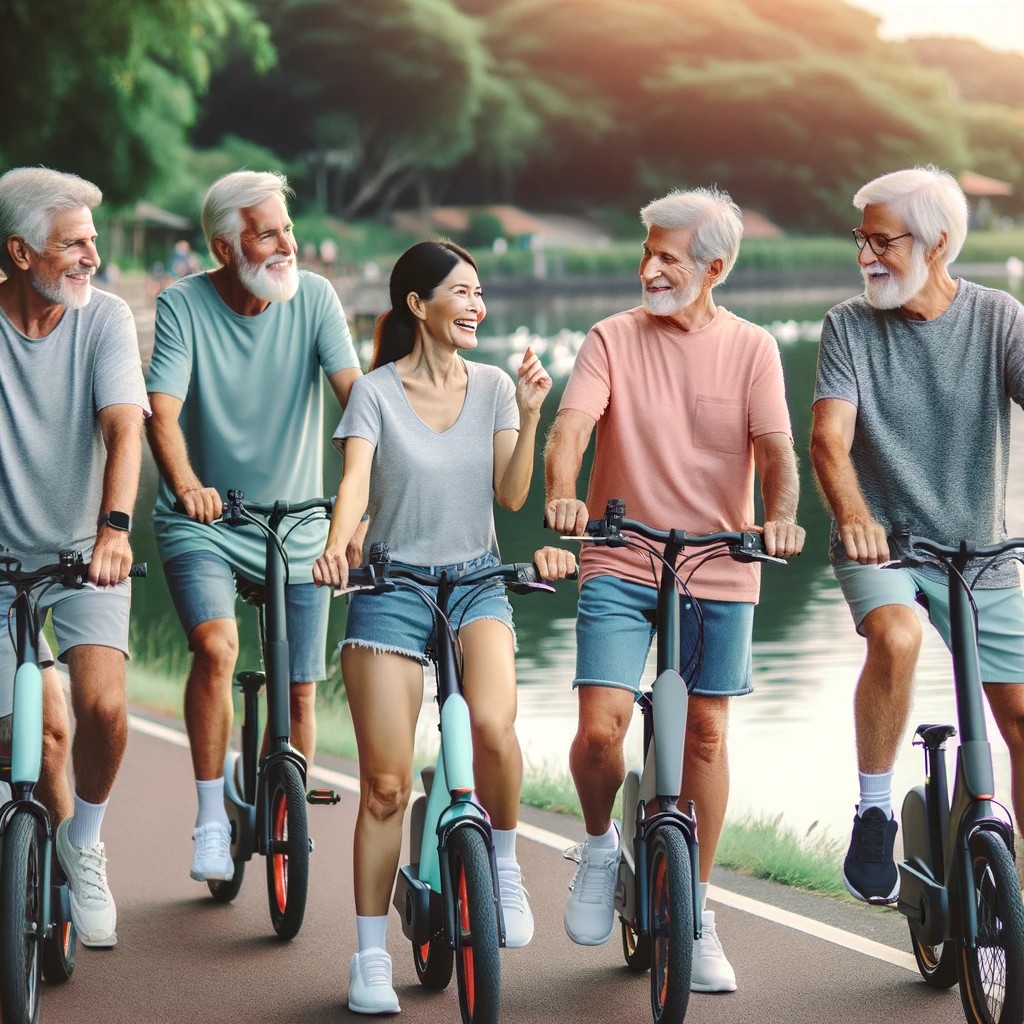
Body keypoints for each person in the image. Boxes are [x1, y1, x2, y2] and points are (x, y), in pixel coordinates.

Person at [544, 187, 805, 993]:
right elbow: (572, 428)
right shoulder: (611, 338)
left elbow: (776, 452)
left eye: (669, 256)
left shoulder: (754, 347)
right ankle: (595, 851)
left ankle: (695, 907)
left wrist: (783, 519)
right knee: (601, 729)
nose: (649, 267)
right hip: (621, 555)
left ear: (714, 268)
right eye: (647, 252)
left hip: (719, 561)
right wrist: (565, 494)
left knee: (706, 739)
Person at [312, 240, 576, 1014]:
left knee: (494, 726)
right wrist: (336, 550)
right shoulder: (375, 394)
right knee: (387, 788)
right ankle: (367, 960)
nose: (476, 305)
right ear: (416, 305)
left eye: (480, 293)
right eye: (460, 292)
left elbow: (514, 494)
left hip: (475, 584)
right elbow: (355, 482)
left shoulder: (495, 385)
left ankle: (503, 862)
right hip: (391, 585)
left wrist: (530, 415)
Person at [810, 165, 1024, 904]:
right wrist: (856, 518)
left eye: (882, 240)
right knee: (895, 637)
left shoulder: (998, 317)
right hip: (886, 545)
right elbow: (827, 442)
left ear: (936, 244)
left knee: (1022, 716)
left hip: (982, 550)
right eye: (860, 239)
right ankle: (874, 812)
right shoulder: (848, 326)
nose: (866, 255)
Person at [145, 170, 362, 884]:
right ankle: (211, 815)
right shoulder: (182, 304)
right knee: (217, 646)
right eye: (266, 232)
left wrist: (359, 509)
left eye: (286, 229)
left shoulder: (318, 299)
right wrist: (187, 488)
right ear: (223, 244)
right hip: (204, 520)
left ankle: (282, 805)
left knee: (299, 688)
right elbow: (163, 414)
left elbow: (356, 403)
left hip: (297, 523)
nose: (285, 244)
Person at [0, 167, 149, 947]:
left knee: (101, 709)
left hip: (84, 553)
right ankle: (27, 830)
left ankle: (82, 839)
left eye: (94, 241)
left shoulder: (105, 320)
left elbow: (125, 427)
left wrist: (115, 530)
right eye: (75, 245)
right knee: (34, 737)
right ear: (21, 254)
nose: (92, 257)